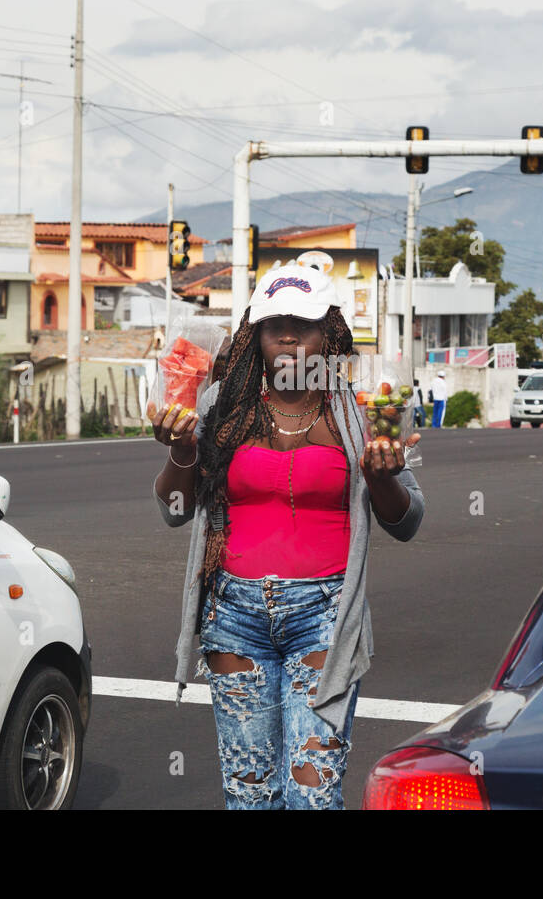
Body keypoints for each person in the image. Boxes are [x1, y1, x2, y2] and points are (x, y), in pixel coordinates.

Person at [149, 259, 425, 809]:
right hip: (233, 618)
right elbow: (174, 510)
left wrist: (380, 475)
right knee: (249, 794)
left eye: (304, 325)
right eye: (276, 326)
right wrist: (182, 451)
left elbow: (408, 520)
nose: (289, 338)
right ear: (256, 334)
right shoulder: (218, 407)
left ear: (330, 334)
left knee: (313, 794)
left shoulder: (362, 412)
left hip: (324, 619)